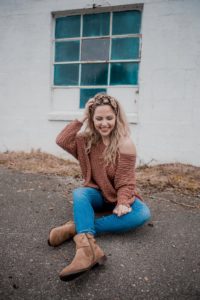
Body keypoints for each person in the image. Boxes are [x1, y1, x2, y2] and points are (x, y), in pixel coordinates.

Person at [48, 93, 151, 281]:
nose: (104, 123)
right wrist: (82, 117)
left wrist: (122, 202)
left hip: (117, 195)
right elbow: (61, 140)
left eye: (109, 118)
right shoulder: (85, 140)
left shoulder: (125, 143)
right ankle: (87, 250)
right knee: (80, 193)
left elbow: (126, 181)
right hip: (96, 194)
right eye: (99, 118)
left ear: (117, 118)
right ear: (92, 119)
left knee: (143, 213)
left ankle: (77, 229)